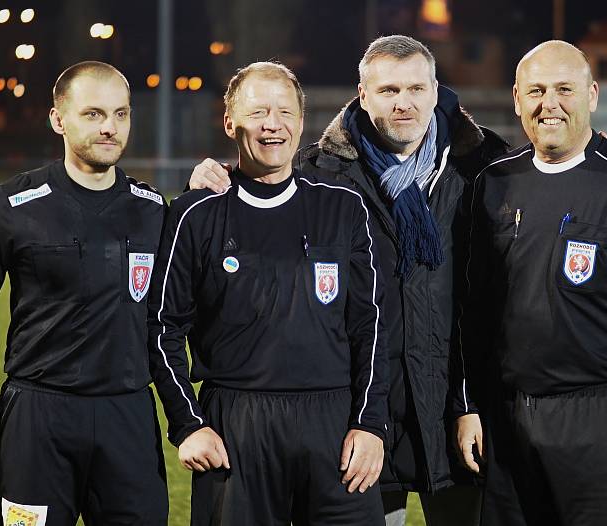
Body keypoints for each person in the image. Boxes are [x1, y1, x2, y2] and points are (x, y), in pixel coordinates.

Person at [190, 35, 510, 526]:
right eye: (387, 91)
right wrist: (211, 180)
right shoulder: (322, 170)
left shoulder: (483, 164)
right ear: (362, 95)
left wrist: (603, 151)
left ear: (435, 89)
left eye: (415, 89)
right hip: (362, 418)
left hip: (459, 407)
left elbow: (550, 190)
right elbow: (260, 186)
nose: (403, 103)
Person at [454, 40, 607, 526]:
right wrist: (469, 403)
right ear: (517, 99)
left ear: (592, 95)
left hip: (604, 420)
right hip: (509, 419)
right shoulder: (492, 184)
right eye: (536, 91)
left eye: (565, 89)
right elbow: (471, 312)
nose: (550, 104)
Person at [147, 61, 388, 526]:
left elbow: (371, 323)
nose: (272, 125)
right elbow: (162, 327)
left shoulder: (341, 205)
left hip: (335, 425)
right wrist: (188, 425)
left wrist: (369, 422)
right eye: (257, 112)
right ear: (230, 122)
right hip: (237, 424)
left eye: (284, 112)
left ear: (301, 123)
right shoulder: (195, 214)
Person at [0, 61, 168, 524]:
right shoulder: (8, 207)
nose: (110, 128)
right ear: (58, 119)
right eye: (93, 114)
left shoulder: (154, 212)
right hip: (37, 419)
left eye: (121, 114)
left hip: (127, 417)